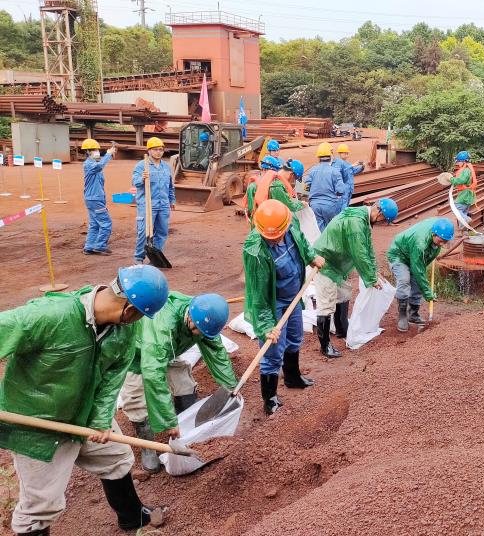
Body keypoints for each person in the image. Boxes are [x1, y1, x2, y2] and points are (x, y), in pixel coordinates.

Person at [0, 265, 170, 535]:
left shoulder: (123, 332)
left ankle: (132, 516)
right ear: (130, 310)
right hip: (37, 422)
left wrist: (101, 420)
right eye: (141, 316)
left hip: (87, 410)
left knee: (116, 458)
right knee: (41, 503)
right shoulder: (50, 316)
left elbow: (114, 375)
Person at [119, 292, 236, 472]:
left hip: (168, 349)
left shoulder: (204, 319)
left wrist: (230, 386)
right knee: (136, 400)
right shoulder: (164, 326)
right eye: (197, 330)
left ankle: (187, 431)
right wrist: (168, 421)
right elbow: (153, 373)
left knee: (184, 383)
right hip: (135, 352)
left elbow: (217, 351)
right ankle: (148, 447)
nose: (200, 334)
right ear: (189, 317)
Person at [243, 200, 325, 415]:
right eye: (270, 237)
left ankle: (292, 377)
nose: (275, 239)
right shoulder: (256, 251)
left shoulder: (289, 224)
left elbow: (301, 242)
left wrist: (311, 257)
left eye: (278, 235)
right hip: (273, 303)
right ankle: (269, 398)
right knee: (272, 350)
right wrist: (266, 326)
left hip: (293, 295)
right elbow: (259, 294)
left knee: (295, 337)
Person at [311, 198, 399, 357]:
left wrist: (374, 270)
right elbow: (359, 254)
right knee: (326, 303)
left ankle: (341, 329)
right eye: (383, 220)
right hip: (324, 262)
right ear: (378, 211)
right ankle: (325, 346)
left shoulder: (364, 219)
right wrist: (370, 278)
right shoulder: (356, 223)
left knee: (344, 293)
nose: (381, 223)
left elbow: (368, 247)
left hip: (337, 264)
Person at [387, 217, 454, 332]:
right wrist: (428, 293)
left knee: (417, 281)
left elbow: (419, 268)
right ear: (434, 234)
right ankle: (402, 315)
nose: (442, 244)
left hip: (414, 254)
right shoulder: (420, 243)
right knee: (404, 280)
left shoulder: (439, 228)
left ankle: (413, 314)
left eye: (445, 241)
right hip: (399, 254)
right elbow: (418, 269)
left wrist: (420, 278)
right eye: (441, 240)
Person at [132, 137, 176, 264]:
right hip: (147, 204)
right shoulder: (142, 165)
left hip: (163, 204)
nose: (158, 152)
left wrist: (172, 200)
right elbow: (135, 182)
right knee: (144, 232)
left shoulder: (166, 167)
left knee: (162, 232)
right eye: (155, 149)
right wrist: (141, 178)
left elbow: (170, 186)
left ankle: (155, 258)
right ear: (149, 150)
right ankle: (139, 258)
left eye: (161, 150)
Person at [81, 138, 116, 256]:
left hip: (94, 198)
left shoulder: (93, 164)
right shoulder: (89, 164)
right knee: (106, 223)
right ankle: (100, 246)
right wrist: (109, 154)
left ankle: (89, 247)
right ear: (87, 152)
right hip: (95, 199)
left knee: (95, 224)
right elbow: (100, 166)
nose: (97, 152)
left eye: (97, 149)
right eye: (94, 150)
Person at [243, 156, 297, 226]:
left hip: (260, 222)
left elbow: (251, 208)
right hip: (265, 222)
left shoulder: (253, 185)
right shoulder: (274, 185)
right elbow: (287, 205)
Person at [304, 142, 345, 231]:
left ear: (318, 158)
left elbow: (305, 188)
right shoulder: (334, 171)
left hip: (315, 206)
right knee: (332, 230)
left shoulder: (312, 170)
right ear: (331, 156)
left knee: (319, 231)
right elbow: (341, 190)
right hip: (330, 206)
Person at [449, 151, 477, 225]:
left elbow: (461, 180)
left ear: (463, 161)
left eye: (458, 161)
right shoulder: (468, 169)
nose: (458, 163)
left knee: (455, 209)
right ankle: (464, 230)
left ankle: (467, 219)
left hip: (464, 195)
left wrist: (451, 179)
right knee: (463, 212)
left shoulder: (466, 170)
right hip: (468, 195)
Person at [333, 143, 364, 211]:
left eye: (347, 153)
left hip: (349, 189)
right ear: (340, 153)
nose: (346, 155)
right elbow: (338, 173)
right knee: (342, 206)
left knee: (346, 206)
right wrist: (351, 166)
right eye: (345, 153)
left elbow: (353, 171)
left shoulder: (347, 163)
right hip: (343, 189)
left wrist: (362, 167)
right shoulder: (337, 163)